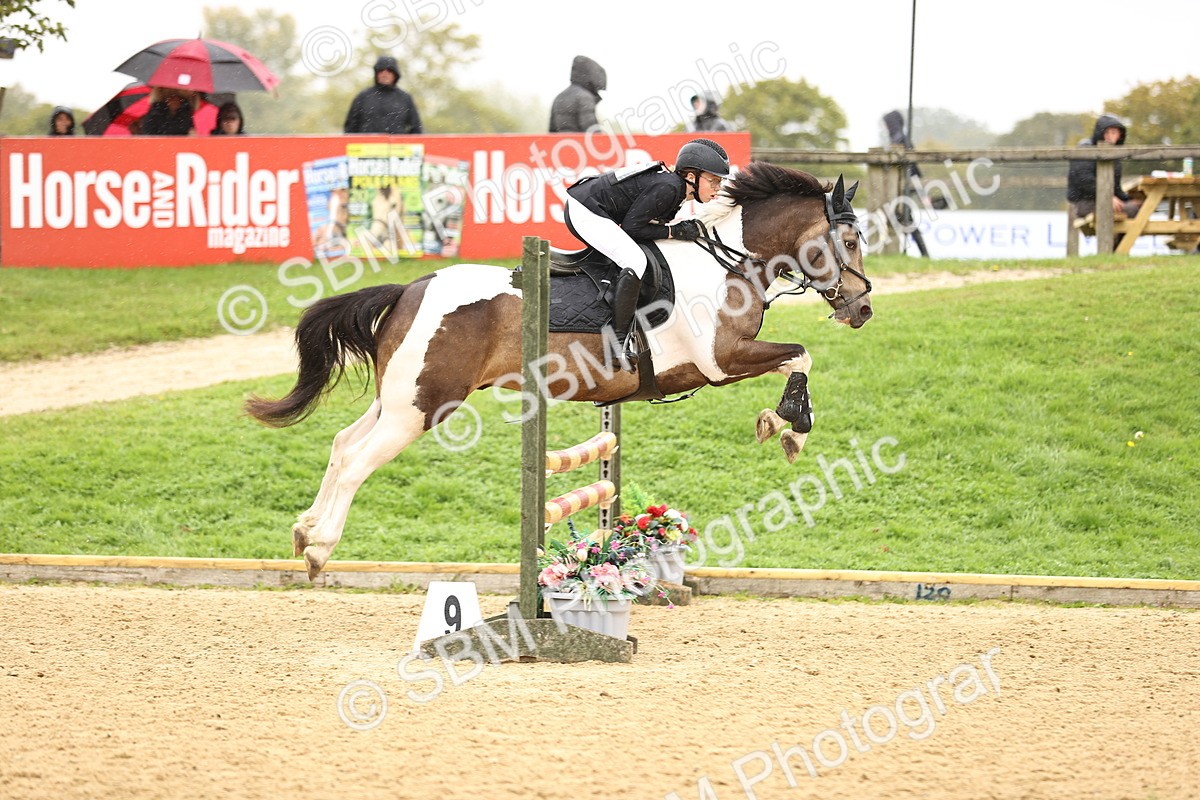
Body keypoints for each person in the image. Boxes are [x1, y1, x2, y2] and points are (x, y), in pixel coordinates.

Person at [563, 138, 731, 370]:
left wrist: (674, 231)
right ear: (691, 177)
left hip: (589, 204)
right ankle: (616, 343)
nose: (717, 189)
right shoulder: (670, 187)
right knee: (635, 261)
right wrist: (675, 231)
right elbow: (633, 229)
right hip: (586, 211)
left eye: (719, 183)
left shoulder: (676, 187)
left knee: (636, 255)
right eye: (713, 181)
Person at [1067, 113, 1141, 219]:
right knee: (1131, 210)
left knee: (1137, 206)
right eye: (1106, 132)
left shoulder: (1114, 155)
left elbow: (1115, 189)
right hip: (1084, 203)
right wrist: (1108, 197)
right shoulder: (1085, 149)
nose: (1109, 137)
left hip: (1103, 199)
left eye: (1114, 132)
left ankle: (1118, 235)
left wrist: (1128, 199)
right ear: (1099, 133)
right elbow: (1084, 180)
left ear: (1120, 135)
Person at [343, 55, 423, 134]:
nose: (385, 74)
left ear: (395, 74)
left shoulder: (405, 98)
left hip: (396, 146)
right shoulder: (363, 97)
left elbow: (416, 128)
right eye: (381, 70)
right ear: (376, 73)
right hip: (367, 145)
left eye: (389, 70)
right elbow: (350, 128)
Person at [549, 55, 606, 133]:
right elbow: (591, 129)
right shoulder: (585, 97)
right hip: (579, 144)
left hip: (562, 144)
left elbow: (552, 131)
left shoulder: (559, 97)